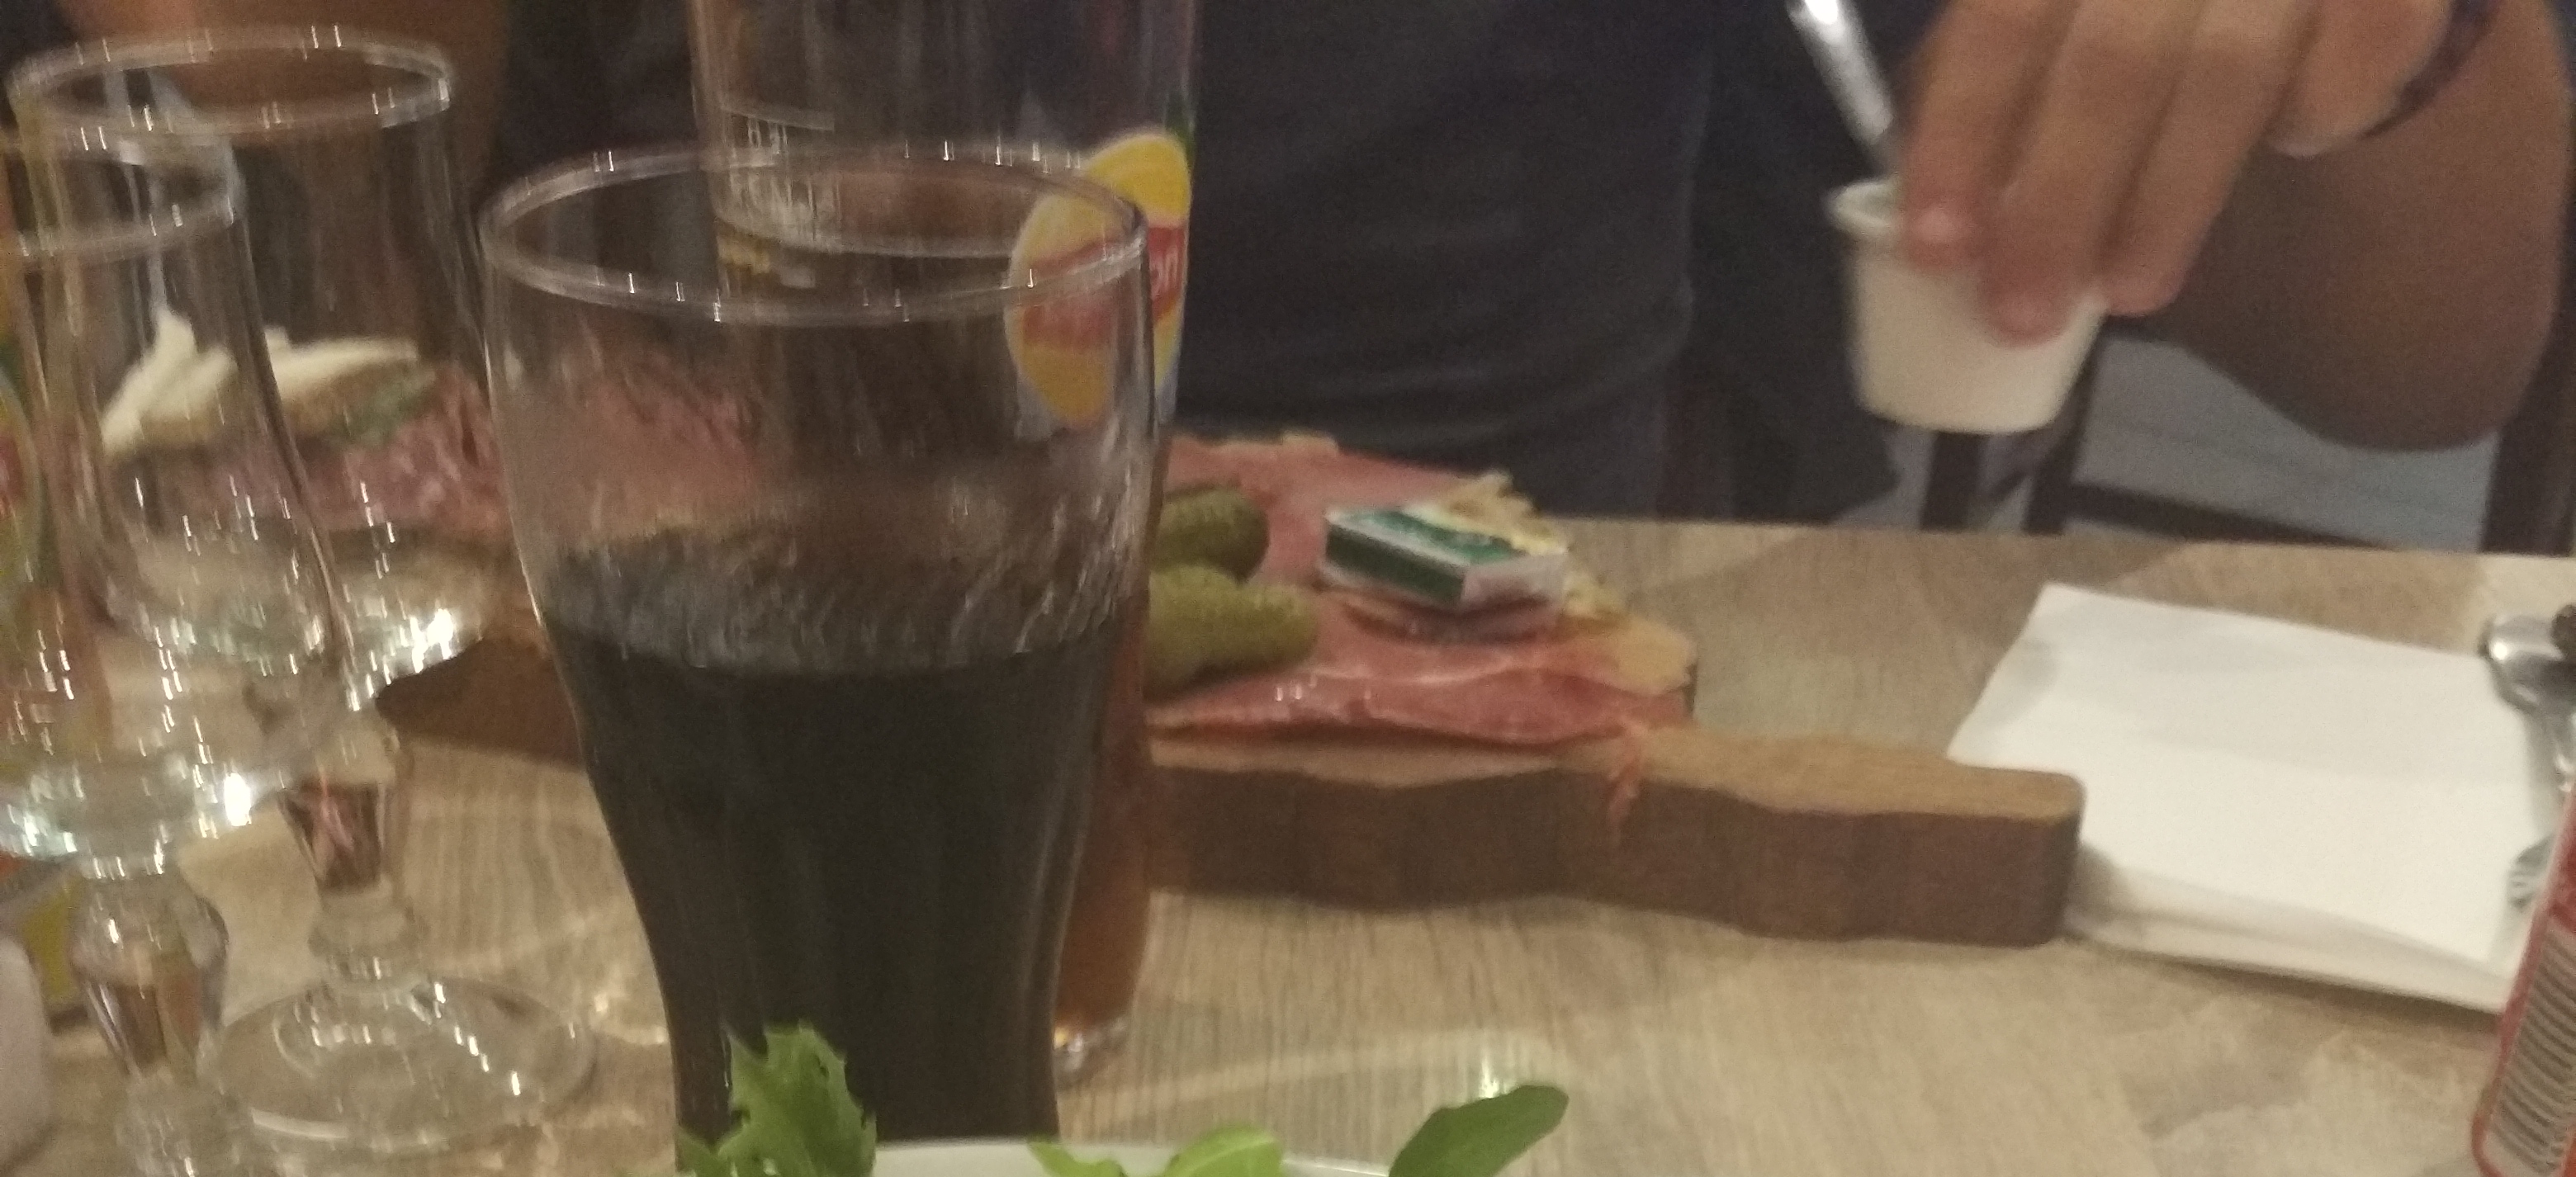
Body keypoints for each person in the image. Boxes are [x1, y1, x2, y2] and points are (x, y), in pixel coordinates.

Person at [7, 0, 2564, 514]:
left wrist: (2373, 49)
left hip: (1528, 696)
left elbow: (2433, 350)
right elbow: (269, 214)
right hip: (675, 647)